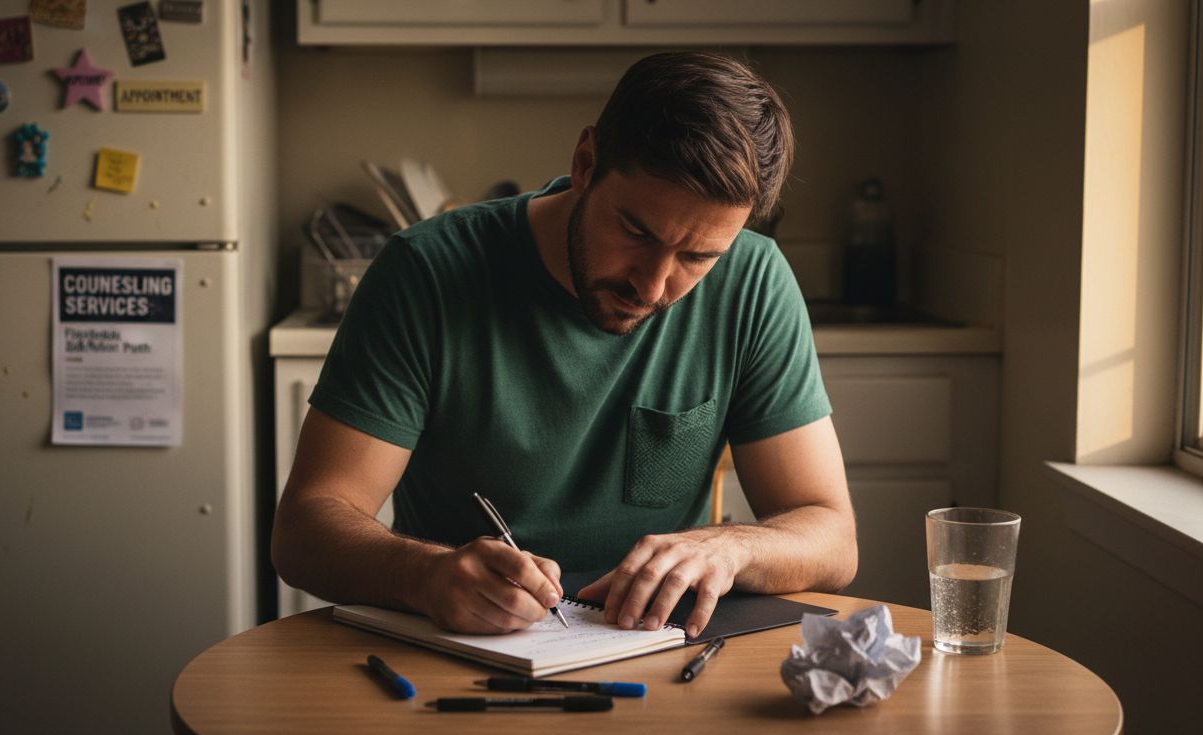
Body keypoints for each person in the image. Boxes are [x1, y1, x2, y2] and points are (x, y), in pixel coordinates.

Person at [272, 51, 856, 639]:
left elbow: (832, 536)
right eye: (635, 232)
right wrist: (426, 576)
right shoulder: (426, 273)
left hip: (653, 654)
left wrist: (731, 548)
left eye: (697, 257)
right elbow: (304, 530)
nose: (652, 286)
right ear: (585, 163)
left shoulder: (753, 281)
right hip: (460, 654)